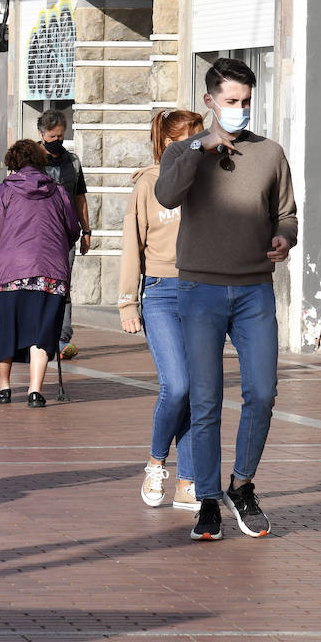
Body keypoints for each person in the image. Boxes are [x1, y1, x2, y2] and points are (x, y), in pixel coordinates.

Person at [155, 58, 297, 542]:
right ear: (210, 101)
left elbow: (287, 214)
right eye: (231, 102)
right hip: (200, 290)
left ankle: (243, 484)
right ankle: (209, 500)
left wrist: (284, 237)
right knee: (206, 398)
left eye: (246, 103)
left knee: (262, 392)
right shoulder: (183, 151)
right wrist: (199, 146)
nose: (239, 110)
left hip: (254, 289)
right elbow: (167, 195)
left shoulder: (271, 154)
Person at [120, 109, 205, 512]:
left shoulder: (211, 180)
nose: (193, 144)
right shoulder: (148, 184)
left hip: (203, 291)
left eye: (197, 136)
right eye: (184, 138)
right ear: (166, 143)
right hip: (161, 293)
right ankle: (156, 462)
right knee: (178, 385)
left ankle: (188, 481)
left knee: (196, 390)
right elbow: (131, 245)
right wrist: (126, 302)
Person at [0, 139, 81, 408]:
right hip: (51, 272)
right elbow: (72, 228)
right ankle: (35, 391)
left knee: (7, 327)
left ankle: (3, 385)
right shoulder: (57, 191)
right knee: (43, 330)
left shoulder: (3, 192)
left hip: (11, 272)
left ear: (12, 163)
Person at [37, 109, 91, 358]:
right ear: (41, 134)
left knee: (63, 284)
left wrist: (86, 230)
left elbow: (80, 197)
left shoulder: (73, 161)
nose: (57, 140)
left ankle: (62, 337)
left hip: (66, 233)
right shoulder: (30, 160)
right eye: (52, 136)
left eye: (61, 135)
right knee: (39, 285)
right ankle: (39, 335)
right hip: (36, 235)